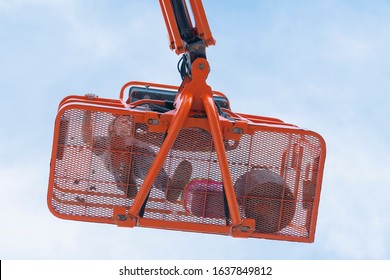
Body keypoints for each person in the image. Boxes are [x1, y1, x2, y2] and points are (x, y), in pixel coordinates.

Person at [82, 111, 192, 202]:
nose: (127, 122)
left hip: (142, 160)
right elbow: (87, 139)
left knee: (151, 169)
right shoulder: (104, 141)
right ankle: (126, 182)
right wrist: (87, 114)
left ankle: (170, 188)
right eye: (123, 120)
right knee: (117, 153)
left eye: (130, 121)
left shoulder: (140, 139)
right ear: (111, 128)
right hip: (119, 161)